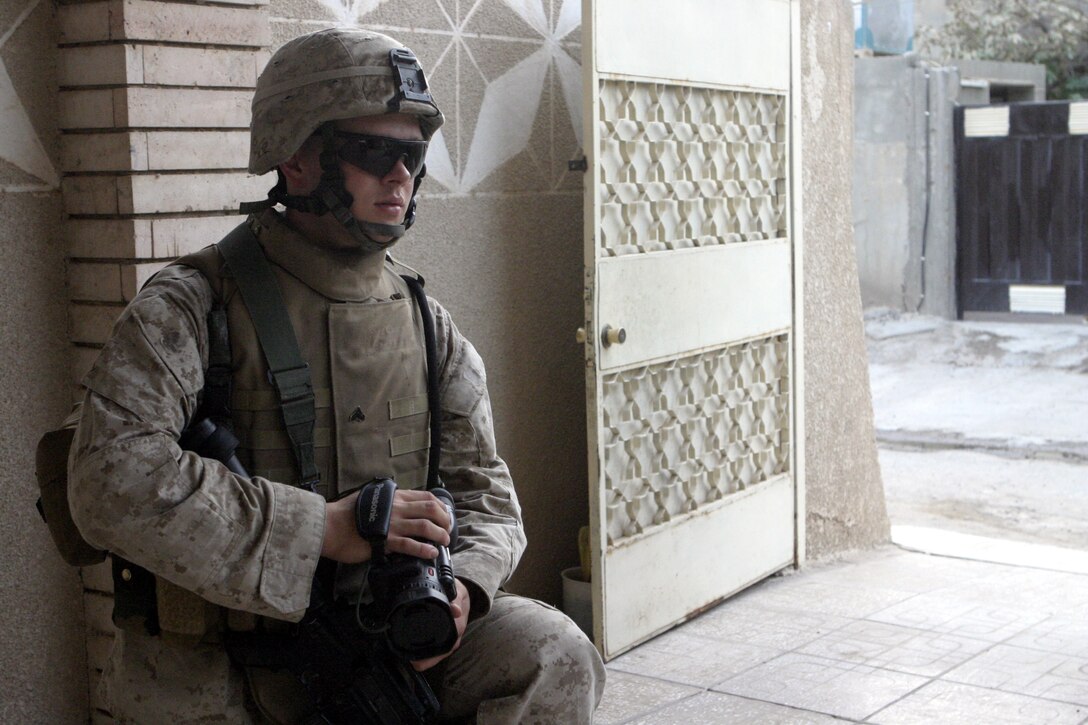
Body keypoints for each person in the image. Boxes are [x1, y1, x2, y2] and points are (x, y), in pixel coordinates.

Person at [67, 26, 605, 724]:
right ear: (294, 159)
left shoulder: (423, 320)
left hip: (387, 644)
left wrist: (464, 583)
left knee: (552, 649)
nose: (400, 175)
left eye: (411, 154)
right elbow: (106, 478)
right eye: (373, 152)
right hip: (226, 663)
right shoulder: (192, 307)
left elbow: (486, 493)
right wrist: (317, 528)